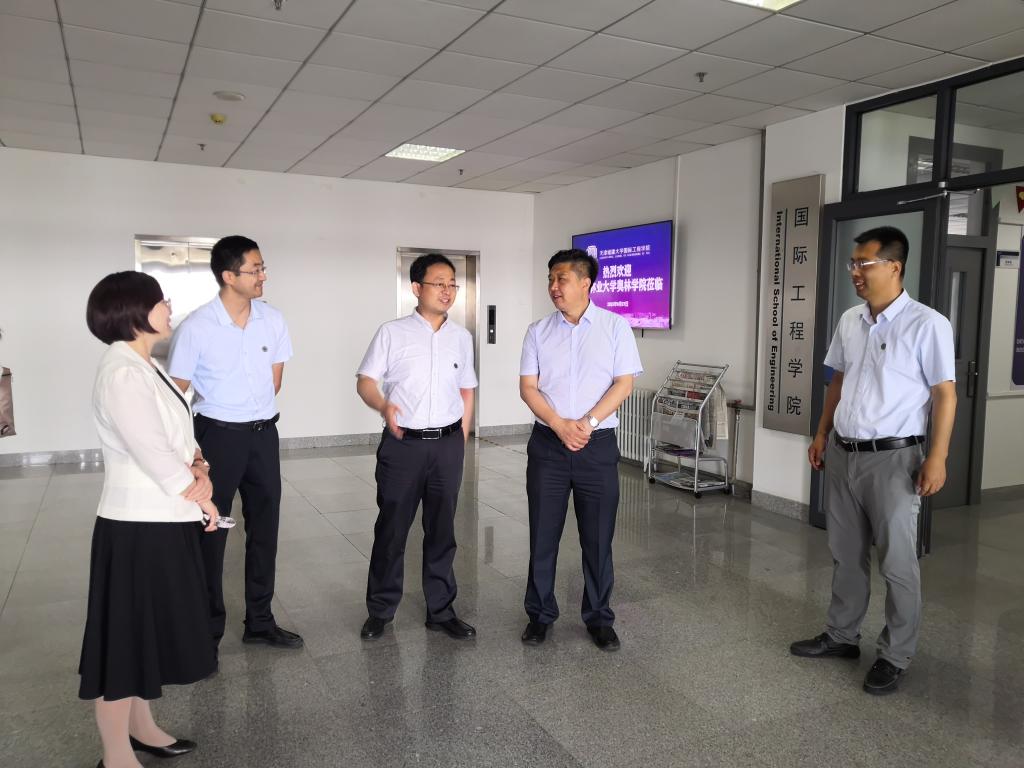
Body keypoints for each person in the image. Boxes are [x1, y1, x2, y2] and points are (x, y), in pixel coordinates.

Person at [790, 226, 956, 695]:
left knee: (898, 563)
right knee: (845, 554)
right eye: (853, 264)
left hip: (895, 459)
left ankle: (895, 654)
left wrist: (937, 457)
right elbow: (838, 382)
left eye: (864, 263)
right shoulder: (850, 320)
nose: (855, 272)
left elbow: (945, 394)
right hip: (844, 453)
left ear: (894, 266)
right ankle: (842, 636)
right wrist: (822, 433)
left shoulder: (927, 324)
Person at [80, 271, 219, 768]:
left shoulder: (145, 364)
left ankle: (142, 729)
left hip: (162, 518)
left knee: (146, 634)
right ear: (134, 311)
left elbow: (178, 433)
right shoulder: (122, 372)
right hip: (136, 526)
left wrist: (199, 463)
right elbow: (152, 451)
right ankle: (116, 754)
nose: (168, 306)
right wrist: (200, 495)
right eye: (161, 300)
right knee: (124, 640)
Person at [167, 235, 302, 652]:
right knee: (211, 530)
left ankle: (260, 621)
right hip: (217, 438)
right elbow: (175, 394)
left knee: (265, 529)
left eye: (263, 268)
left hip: (263, 437)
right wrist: (191, 453)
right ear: (229, 276)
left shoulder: (273, 320)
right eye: (255, 269)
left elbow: (274, 381)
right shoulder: (196, 327)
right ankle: (206, 629)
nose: (263, 276)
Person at [519, 248, 643, 651]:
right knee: (543, 535)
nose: (554, 287)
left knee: (598, 538)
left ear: (586, 283)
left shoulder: (615, 327)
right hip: (548, 446)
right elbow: (528, 387)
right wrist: (559, 425)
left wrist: (586, 424)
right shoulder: (538, 331)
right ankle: (539, 615)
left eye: (562, 279)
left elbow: (624, 384)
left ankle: (599, 618)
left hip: (596, 446)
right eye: (550, 280)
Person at [356, 253, 478, 641]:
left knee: (442, 530)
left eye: (452, 284)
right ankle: (380, 610)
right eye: (439, 283)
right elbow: (365, 381)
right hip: (402, 446)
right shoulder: (391, 333)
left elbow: (467, 389)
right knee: (392, 529)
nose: (448, 291)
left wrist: (462, 436)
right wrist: (383, 405)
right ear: (416, 288)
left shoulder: (462, 338)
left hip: (447, 446)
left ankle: (440, 610)